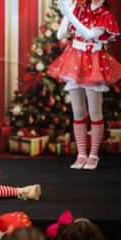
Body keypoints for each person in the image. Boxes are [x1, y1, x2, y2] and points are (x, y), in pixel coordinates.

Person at [49, 0, 121, 170]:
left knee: (95, 112)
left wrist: (70, 15)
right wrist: (68, 15)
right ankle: (81, 153)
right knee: (78, 111)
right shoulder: (79, 10)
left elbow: (89, 35)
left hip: (94, 62)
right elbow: (60, 35)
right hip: (74, 60)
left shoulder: (106, 16)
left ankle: (93, 155)